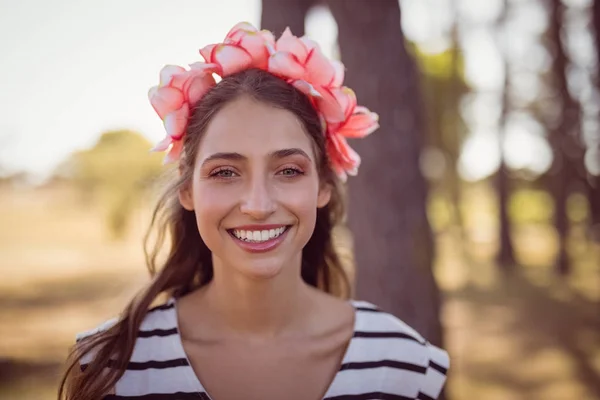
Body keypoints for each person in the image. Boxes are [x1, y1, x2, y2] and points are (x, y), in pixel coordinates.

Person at [58, 22, 449, 400]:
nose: (258, 206)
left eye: (289, 170)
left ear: (323, 185)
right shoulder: (113, 368)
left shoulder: (404, 365)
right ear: (188, 187)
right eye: (225, 172)